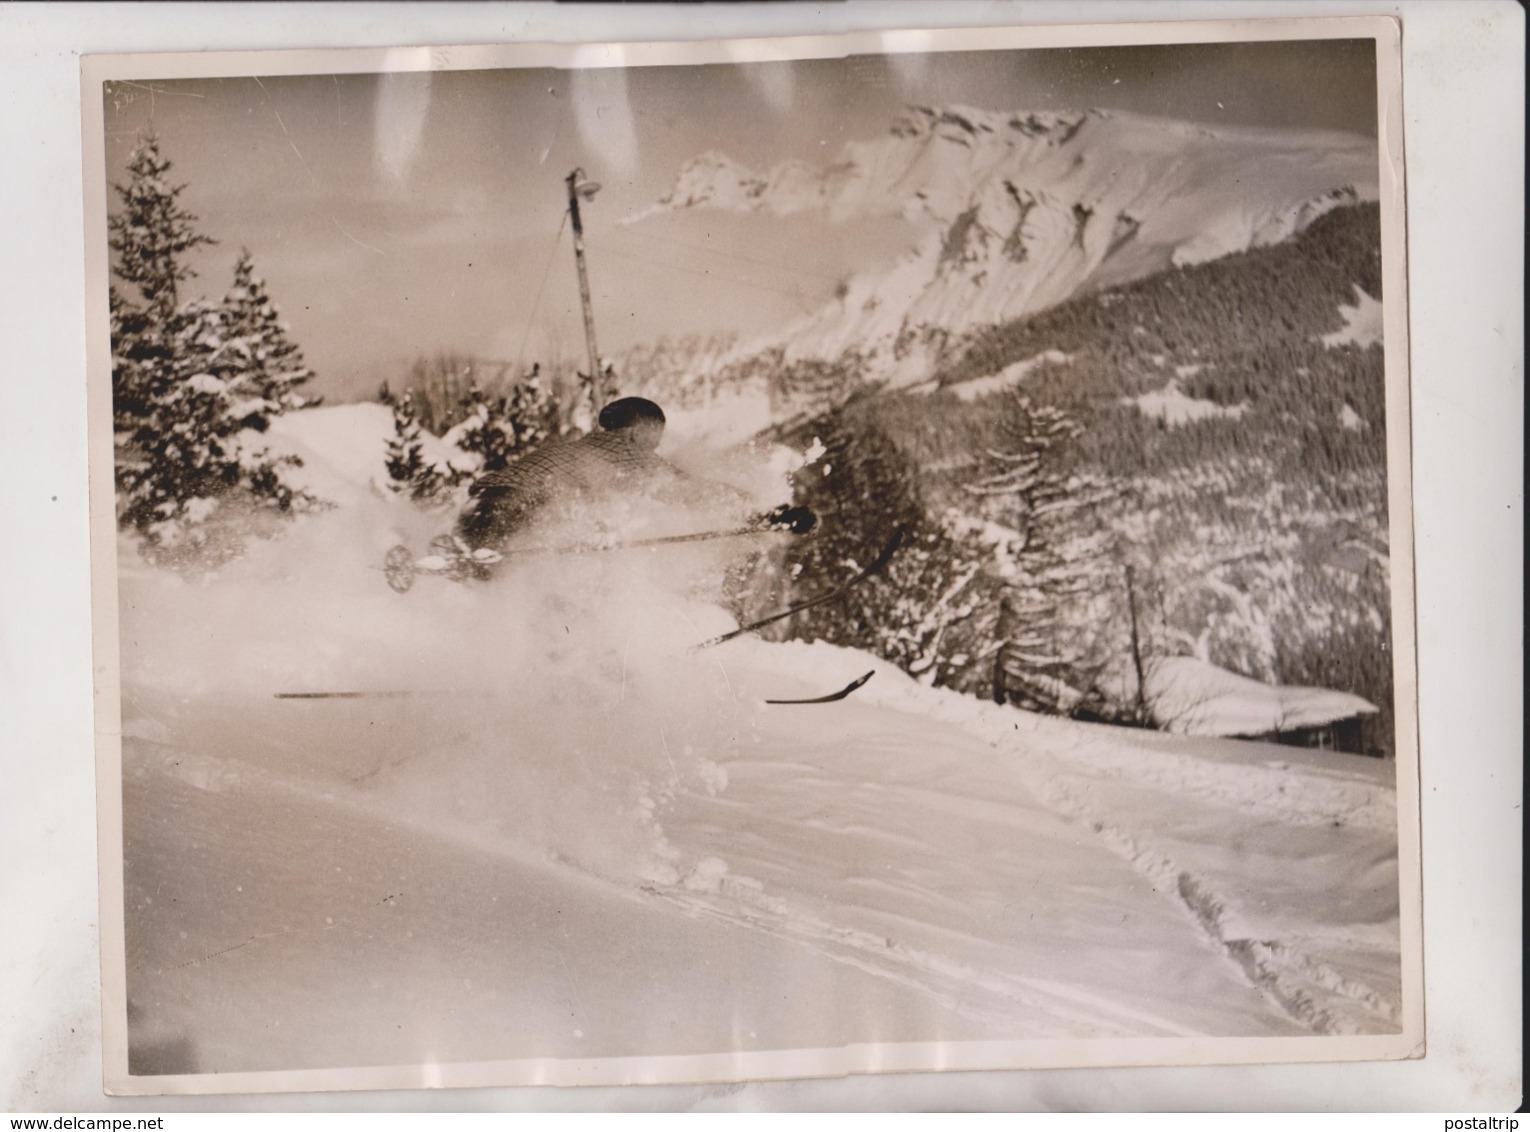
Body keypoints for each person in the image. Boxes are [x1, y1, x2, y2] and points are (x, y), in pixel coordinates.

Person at [453, 396, 813, 554]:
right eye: (654, 439)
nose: (655, 449)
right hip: (517, 514)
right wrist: (767, 516)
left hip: (475, 512)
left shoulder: (580, 449)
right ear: (637, 432)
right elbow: (688, 489)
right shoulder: (625, 451)